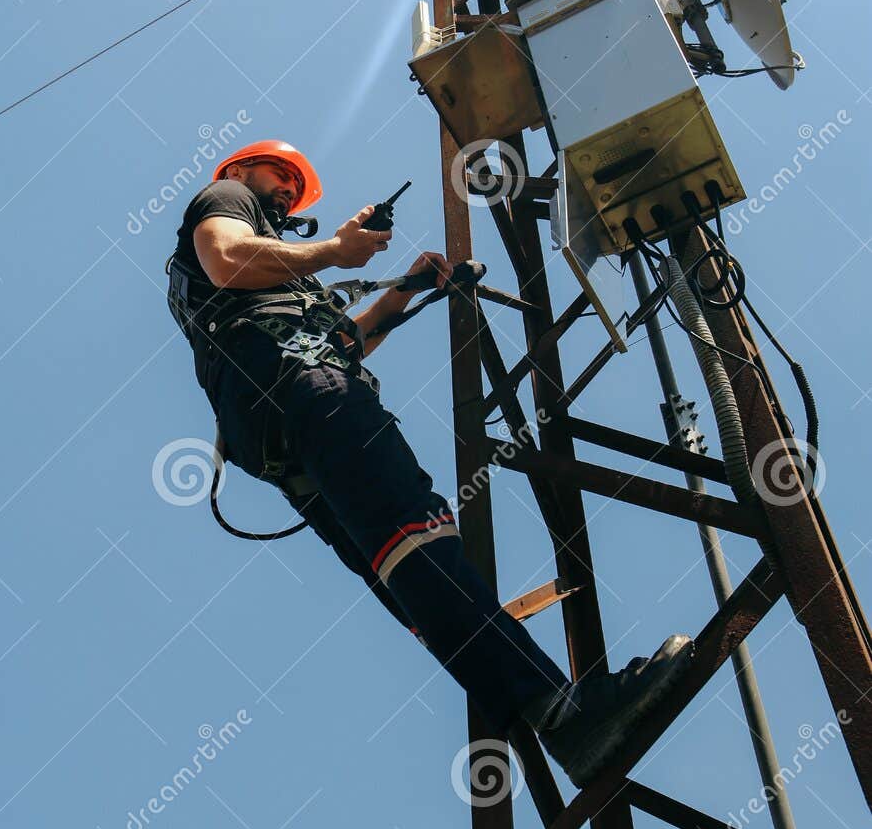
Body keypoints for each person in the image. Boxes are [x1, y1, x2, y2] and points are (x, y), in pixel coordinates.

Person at [166, 139, 692, 786]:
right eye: (281, 176)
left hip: (273, 420)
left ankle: (555, 718)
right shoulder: (228, 202)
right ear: (239, 171)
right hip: (294, 385)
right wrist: (334, 250)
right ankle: (565, 713)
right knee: (412, 527)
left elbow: (341, 340)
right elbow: (224, 260)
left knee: (401, 564)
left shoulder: (278, 278)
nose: (285, 191)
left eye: (291, 186)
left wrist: (401, 295)